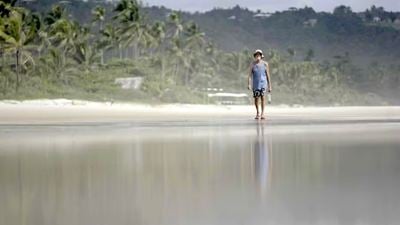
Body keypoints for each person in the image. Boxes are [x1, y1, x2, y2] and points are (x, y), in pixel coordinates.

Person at [248, 49, 271, 120]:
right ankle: (258, 112)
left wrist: (270, 86)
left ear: (261, 56)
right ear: (255, 56)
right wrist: (248, 84)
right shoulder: (252, 64)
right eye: (256, 55)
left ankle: (262, 113)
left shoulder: (265, 64)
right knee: (256, 99)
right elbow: (249, 75)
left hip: (263, 83)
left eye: (259, 55)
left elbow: (268, 75)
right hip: (255, 84)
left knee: (263, 98)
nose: (258, 56)